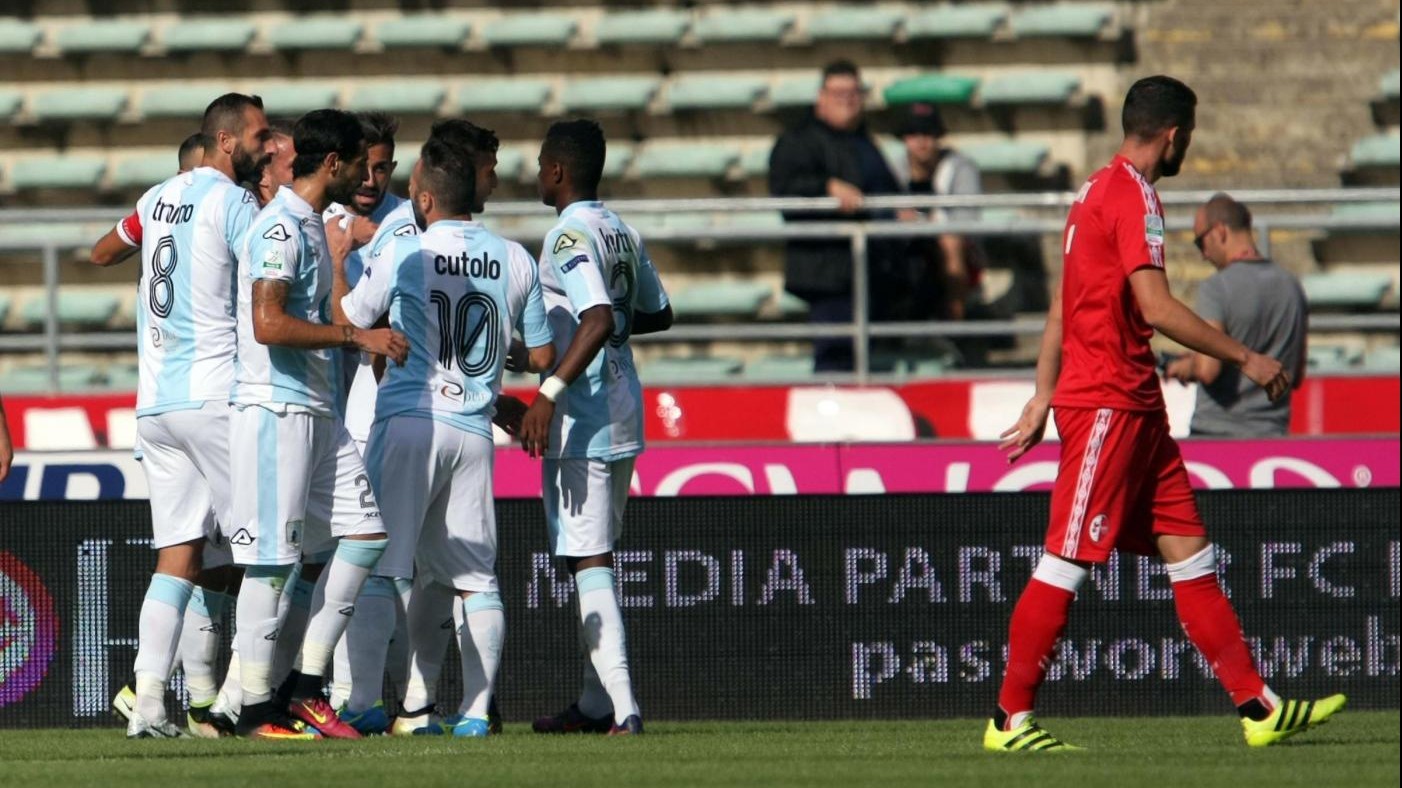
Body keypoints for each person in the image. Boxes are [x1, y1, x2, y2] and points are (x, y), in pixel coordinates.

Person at [989, 75, 1344, 752]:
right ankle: (1008, 720)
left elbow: (1062, 307)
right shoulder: (1135, 197)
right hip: (1107, 403)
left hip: (1134, 409)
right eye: (1191, 137)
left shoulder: (1090, 193)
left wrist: (1042, 391)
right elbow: (1154, 309)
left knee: (1191, 557)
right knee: (1065, 559)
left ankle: (1258, 707)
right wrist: (1247, 358)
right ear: (1174, 135)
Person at [341, 134, 555, 738]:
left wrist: (335, 260)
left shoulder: (406, 251)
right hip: (473, 432)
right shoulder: (515, 257)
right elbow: (541, 353)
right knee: (471, 577)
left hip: (408, 421)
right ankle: (469, 712)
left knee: (382, 566)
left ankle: (362, 703)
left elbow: (353, 319)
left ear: (426, 198)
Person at [229, 108, 407, 740]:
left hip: (317, 409)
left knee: (364, 535)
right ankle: (253, 709)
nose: (367, 174)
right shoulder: (278, 227)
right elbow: (268, 324)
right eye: (361, 161)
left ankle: (305, 688)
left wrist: (352, 328)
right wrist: (355, 335)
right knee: (272, 565)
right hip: (277, 409)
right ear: (335, 163)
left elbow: (320, 314)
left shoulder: (307, 224)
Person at [110, 95, 272, 739]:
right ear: (228, 141)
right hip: (214, 396)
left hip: (155, 404)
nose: (266, 144)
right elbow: (268, 281)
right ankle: (237, 701)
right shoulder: (234, 204)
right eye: (260, 133)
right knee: (267, 551)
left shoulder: (154, 199)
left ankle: (147, 702)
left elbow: (100, 252)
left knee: (176, 555)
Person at [516, 119, 671, 736]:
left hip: (584, 416)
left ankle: (626, 708)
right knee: (595, 556)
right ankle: (595, 703)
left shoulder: (566, 235)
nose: (535, 175)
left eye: (539, 166)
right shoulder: (620, 228)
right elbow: (656, 312)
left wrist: (550, 389)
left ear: (556, 171)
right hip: (623, 406)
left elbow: (600, 315)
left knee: (589, 561)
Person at [768, 60, 903, 371]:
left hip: (870, 267)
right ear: (821, 97)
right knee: (836, 356)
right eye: (839, 93)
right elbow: (785, 192)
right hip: (828, 270)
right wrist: (825, 187)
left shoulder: (864, 141)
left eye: (854, 93)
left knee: (865, 355)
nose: (847, 100)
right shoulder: (798, 140)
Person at [1164, 194, 1308, 436]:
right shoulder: (1292, 286)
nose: (1203, 255)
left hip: (1216, 437)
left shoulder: (1217, 287)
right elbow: (1297, 374)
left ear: (1220, 232)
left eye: (1201, 243)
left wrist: (1186, 366)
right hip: (1272, 437)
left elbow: (1208, 370)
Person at [895, 103, 983, 323]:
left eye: (928, 133)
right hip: (904, 248)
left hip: (954, 254)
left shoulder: (960, 167)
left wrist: (922, 222)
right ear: (904, 138)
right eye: (914, 133)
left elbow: (966, 222)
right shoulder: (894, 170)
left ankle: (954, 324)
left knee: (950, 242)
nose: (921, 141)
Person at [89, 132, 209, 268]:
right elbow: (101, 255)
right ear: (180, 177)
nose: (216, 182)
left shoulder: (230, 203)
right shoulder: (156, 202)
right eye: (206, 175)